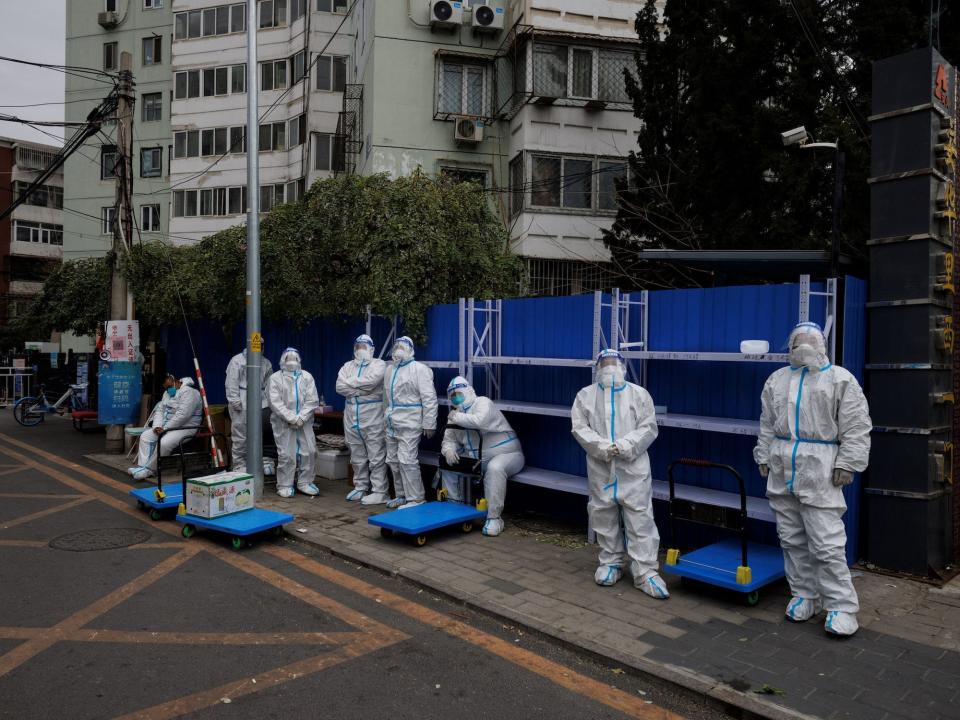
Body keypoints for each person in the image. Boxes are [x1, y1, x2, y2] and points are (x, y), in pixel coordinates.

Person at [754, 321, 871, 637]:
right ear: (789, 347)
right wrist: (763, 454)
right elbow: (767, 423)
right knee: (791, 538)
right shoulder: (777, 380)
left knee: (826, 542)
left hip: (820, 470)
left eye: (811, 340)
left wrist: (848, 462)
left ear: (823, 345)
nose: (804, 346)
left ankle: (841, 607)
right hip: (782, 468)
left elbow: (857, 426)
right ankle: (805, 595)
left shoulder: (839, 379)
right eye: (798, 341)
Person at [571, 349, 668, 600]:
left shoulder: (639, 394)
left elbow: (648, 428)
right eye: (604, 363)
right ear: (597, 368)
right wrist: (603, 448)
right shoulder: (585, 395)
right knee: (603, 513)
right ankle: (610, 562)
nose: (609, 367)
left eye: (614, 363)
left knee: (640, 516)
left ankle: (645, 572)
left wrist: (624, 446)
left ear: (623, 366)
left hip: (632, 465)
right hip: (600, 465)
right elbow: (579, 428)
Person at [442, 376, 524, 537]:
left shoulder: (482, 402)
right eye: (452, 396)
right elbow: (448, 439)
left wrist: (455, 416)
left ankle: (494, 518)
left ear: (468, 390)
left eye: (459, 393)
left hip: (508, 454)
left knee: (495, 468)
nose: (456, 398)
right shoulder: (455, 415)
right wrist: (449, 450)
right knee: (448, 464)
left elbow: (480, 421)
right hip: (478, 459)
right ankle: (454, 509)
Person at [383, 336, 437, 509]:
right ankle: (401, 495)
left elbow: (429, 398)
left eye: (403, 346)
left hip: (410, 421)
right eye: (397, 345)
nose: (399, 348)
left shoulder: (419, 369)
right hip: (392, 421)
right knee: (393, 460)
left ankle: (416, 498)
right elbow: (386, 397)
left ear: (411, 349)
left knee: (407, 460)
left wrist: (429, 422)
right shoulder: (390, 370)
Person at [336, 334, 389, 504]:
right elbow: (339, 387)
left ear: (372, 349)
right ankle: (360, 486)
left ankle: (380, 491)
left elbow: (372, 382)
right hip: (351, 414)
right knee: (356, 453)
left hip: (372, 414)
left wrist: (351, 384)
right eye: (358, 346)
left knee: (376, 454)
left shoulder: (379, 365)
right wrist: (363, 390)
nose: (361, 349)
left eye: (364, 346)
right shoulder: (347, 366)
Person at [128, 375, 203, 481]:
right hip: (166, 427)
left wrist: (166, 428)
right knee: (145, 436)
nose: (168, 389)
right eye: (166, 388)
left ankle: (150, 469)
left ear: (176, 381)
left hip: (186, 428)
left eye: (169, 386)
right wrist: (157, 426)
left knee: (164, 443)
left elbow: (183, 415)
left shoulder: (190, 392)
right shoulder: (167, 393)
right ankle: (142, 468)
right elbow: (160, 410)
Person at [268, 348, 320, 498]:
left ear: (300, 360)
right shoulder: (276, 378)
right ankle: (285, 484)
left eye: (294, 358)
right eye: (287, 358)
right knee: (287, 454)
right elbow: (275, 402)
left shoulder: (307, 377)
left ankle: (305, 482)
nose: (291, 361)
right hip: (283, 423)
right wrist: (291, 418)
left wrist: (301, 418)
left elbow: (312, 400)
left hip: (304, 422)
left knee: (309, 451)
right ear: (282, 360)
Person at [224, 348, 273, 473]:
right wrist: (235, 401)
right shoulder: (237, 360)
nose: (260, 348)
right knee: (241, 436)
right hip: (242, 401)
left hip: (261, 402)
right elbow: (231, 382)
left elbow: (269, 384)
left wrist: (269, 402)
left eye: (262, 346)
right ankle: (239, 465)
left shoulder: (266, 362)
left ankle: (264, 462)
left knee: (262, 434)